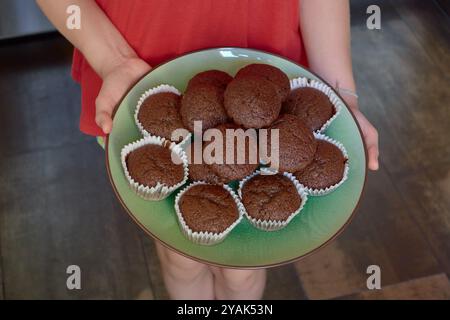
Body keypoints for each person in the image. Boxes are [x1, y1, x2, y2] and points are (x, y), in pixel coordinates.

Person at [37, 0, 379, 300]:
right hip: (143, 77)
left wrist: (343, 97)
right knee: (180, 258)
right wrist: (113, 60)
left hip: (268, 75)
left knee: (241, 269)